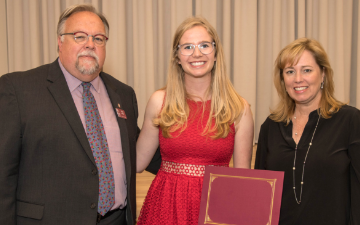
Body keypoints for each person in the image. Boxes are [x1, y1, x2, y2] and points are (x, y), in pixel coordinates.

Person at [0, 4, 159, 225]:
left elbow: (139, 149)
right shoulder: (18, 90)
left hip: (117, 220)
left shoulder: (123, 94)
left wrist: (197, 155)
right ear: (59, 41)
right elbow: (3, 175)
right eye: (79, 36)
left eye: (99, 38)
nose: (90, 45)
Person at [136, 17, 254, 224]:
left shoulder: (239, 108)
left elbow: (242, 179)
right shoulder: (160, 102)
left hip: (216, 210)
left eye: (204, 45)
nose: (197, 53)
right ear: (177, 57)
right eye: (188, 47)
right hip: (165, 207)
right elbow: (137, 162)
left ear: (215, 53)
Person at [255, 38, 360, 224]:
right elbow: (260, 195)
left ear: (323, 74)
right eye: (289, 71)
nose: (297, 79)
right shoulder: (270, 127)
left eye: (307, 70)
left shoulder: (350, 121)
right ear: (282, 79)